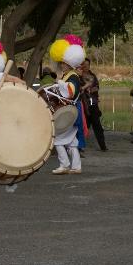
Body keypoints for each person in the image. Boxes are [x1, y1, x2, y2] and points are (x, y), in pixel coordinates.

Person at [45, 35, 87, 174]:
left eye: (63, 63)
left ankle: (65, 165)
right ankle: (76, 166)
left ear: (69, 63)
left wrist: (60, 84)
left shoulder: (72, 76)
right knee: (71, 141)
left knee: (57, 139)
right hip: (70, 110)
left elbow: (71, 92)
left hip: (68, 110)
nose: (61, 65)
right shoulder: (69, 75)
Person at [79, 62, 107, 152]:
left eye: (86, 65)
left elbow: (97, 87)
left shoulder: (93, 76)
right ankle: (80, 147)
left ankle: (103, 145)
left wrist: (91, 89)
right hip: (83, 104)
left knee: (97, 125)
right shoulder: (78, 76)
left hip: (93, 104)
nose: (84, 66)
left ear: (89, 66)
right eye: (83, 65)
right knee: (83, 125)